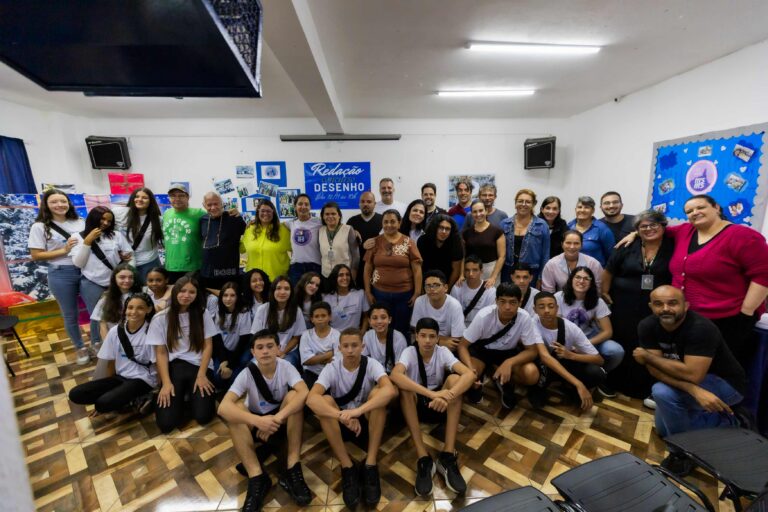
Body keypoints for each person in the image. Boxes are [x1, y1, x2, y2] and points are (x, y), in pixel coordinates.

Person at [634, 285, 747, 477]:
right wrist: (693, 390)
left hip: (727, 384)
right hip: (690, 382)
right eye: (658, 304)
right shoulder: (647, 325)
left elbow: (693, 375)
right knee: (663, 430)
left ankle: (683, 454)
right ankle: (727, 424)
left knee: (661, 392)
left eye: (672, 303)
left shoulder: (701, 328)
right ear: (651, 306)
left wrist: (648, 356)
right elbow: (654, 370)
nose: (665, 309)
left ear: (686, 305)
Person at [217, 330, 312, 511]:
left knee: (295, 397)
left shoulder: (286, 366)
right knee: (235, 409)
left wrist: (276, 418)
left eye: (270, 346)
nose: (265, 351)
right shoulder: (247, 373)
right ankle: (257, 476)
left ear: (278, 348)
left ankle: (293, 466)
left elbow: (304, 392)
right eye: (260, 347)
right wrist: (258, 421)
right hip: (257, 424)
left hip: (280, 421)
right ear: (253, 352)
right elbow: (223, 407)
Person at [306, 328, 397, 509]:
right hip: (341, 422)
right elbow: (311, 399)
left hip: (366, 419)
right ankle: (347, 466)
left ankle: (370, 463)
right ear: (339, 348)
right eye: (346, 346)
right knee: (325, 400)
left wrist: (358, 411)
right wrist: (342, 416)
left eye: (354, 345)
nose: (350, 350)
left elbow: (390, 390)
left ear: (362, 347)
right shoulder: (332, 367)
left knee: (379, 394)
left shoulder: (371, 364)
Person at [389, 318, 475, 496]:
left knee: (455, 379)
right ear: (416, 336)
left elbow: (469, 374)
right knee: (404, 389)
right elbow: (395, 375)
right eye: (423, 336)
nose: (427, 340)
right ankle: (423, 457)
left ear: (437, 338)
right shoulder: (409, 352)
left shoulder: (442, 351)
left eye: (432, 336)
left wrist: (448, 395)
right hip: (418, 404)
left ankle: (447, 455)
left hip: (441, 405)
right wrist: (431, 394)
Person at [602, 210, 673, 399]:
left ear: (663, 226)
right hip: (623, 305)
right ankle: (613, 381)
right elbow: (608, 270)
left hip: (656, 308)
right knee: (622, 340)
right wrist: (604, 292)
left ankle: (646, 387)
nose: (649, 229)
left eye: (653, 225)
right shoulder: (627, 245)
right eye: (643, 226)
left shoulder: (673, 246)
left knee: (649, 344)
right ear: (637, 230)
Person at [147, 275, 218, 433]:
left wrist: (202, 374)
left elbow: (208, 345)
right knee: (166, 424)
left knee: (204, 416)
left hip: (199, 365)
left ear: (197, 295)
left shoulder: (202, 313)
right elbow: (161, 353)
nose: (186, 295)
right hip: (175, 366)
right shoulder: (160, 318)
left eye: (192, 292)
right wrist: (166, 383)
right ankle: (181, 397)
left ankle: (188, 397)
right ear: (175, 292)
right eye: (182, 291)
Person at [68, 292, 157, 415]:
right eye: (130, 307)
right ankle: (131, 399)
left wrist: (161, 387)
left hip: (143, 379)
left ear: (149, 309)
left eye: (140, 308)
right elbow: (111, 360)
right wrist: (110, 385)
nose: (134, 312)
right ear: (125, 309)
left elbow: (159, 362)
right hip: (121, 377)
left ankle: (146, 395)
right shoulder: (115, 331)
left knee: (102, 404)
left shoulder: (151, 331)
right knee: (76, 394)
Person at [457, 283, 541, 409]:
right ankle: (488, 374)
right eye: (502, 301)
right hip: (483, 352)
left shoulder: (524, 317)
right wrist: (470, 371)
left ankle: (504, 379)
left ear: (520, 302)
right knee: (466, 377)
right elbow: (462, 346)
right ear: (496, 301)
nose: (507, 307)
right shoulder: (484, 315)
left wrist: (509, 362)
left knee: (531, 374)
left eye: (513, 302)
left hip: (508, 353)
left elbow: (532, 351)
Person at [28, 188, 88, 363]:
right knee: (70, 314)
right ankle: (80, 347)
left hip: (86, 270)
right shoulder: (39, 226)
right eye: (54, 202)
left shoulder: (80, 222)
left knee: (96, 310)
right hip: (61, 273)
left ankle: (98, 342)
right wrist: (64, 250)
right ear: (46, 205)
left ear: (69, 203)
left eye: (63, 201)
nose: (59, 205)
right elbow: (36, 255)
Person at [528, 292, 605, 410]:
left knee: (597, 373)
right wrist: (578, 383)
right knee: (534, 376)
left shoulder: (571, 328)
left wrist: (571, 355)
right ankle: (539, 388)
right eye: (541, 307)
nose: (547, 310)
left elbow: (599, 360)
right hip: (543, 365)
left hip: (564, 360)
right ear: (535, 310)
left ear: (557, 308)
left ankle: (569, 387)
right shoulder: (533, 323)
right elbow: (545, 357)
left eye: (551, 306)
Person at [555, 267, 624, 397]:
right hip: (567, 341)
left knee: (616, 350)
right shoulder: (559, 297)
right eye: (578, 277)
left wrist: (586, 344)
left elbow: (608, 332)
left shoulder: (598, 301)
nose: (582, 281)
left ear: (591, 283)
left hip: (590, 339)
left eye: (586, 278)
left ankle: (601, 376)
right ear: (571, 279)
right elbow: (555, 326)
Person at [71, 206, 133, 351]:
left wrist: (125, 258)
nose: (105, 223)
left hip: (115, 282)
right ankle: (97, 342)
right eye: (102, 219)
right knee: (96, 315)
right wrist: (87, 242)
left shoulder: (116, 235)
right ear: (93, 218)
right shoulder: (77, 237)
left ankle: (120, 338)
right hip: (92, 282)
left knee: (119, 310)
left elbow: (129, 253)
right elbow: (79, 263)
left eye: (109, 221)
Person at [363, 209, 423, 337]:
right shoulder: (374, 242)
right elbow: (367, 268)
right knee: (382, 327)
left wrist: (417, 293)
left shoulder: (409, 242)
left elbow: (417, 270)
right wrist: (368, 292)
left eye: (392, 221)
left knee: (402, 328)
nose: (389, 225)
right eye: (385, 222)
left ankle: (402, 350)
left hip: (404, 294)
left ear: (399, 223)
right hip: (379, 293)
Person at [250, 276, 307, 371]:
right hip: (265, 349)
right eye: (278, 288)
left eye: (286, 289)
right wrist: (269, 351)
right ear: (273, 291)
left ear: (291, 292)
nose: (282, 292)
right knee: (253, 367)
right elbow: (256, 336)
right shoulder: (263, 309)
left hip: (288, 351)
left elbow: (296, 337)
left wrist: (282, 352)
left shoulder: (297, 311)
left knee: (283, 368)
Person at [501, 189, 550, 284]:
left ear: (533, 204)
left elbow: (545, 255)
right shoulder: (504, 224)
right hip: (508, 272)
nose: (523, 204)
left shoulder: (542, 225)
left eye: (528, 202)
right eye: (520, 201)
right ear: (515, 203)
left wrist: (541, 277)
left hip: (531, 274)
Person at [199, 192, 246, 291]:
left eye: (216, 204)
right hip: (207, 274)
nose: (213, 207)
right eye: (209, 205)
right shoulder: (202, 220)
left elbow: (250, 232)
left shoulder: (234, 218)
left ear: (221, 203)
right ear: (204, 205)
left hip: (229, 274)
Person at [162, 183, 206, 283]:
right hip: (171, 266)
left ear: (188, 197)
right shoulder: (167, 214)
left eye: (181, 195)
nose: (177, 199)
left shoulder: (199, 213)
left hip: (192, 267)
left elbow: (216, 217)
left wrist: (232, 213)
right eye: (173, 196)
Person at [411, 270, 465, 351]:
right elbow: (417, 331)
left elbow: (455, 341)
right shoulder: (419, 301)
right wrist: (440, 341)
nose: (432, 289)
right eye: (428, 286)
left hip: (446, 348)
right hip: (426, 344)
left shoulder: (455, 305)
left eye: (436, 285)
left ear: (446, 288)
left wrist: (430, 337)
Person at [211, 281, 253, 383]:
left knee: (234, 377)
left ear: (237, 297)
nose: (228, 299)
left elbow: (243, 341)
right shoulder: (218, 310)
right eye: (225, 295)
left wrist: (230, 365)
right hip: (224, 350)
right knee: (217, 378)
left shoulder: (244, 311)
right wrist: (223, 360)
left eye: (232, 295)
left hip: (239, 350)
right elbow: (217, 339)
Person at [241, 199, 292, 281]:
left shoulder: (283, 230)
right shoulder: (250, 229)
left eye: (268, 211)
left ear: (273, 212)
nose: (265, 213)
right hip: (254, 280)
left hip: (277, 280)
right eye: (262, 211)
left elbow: (296, 249)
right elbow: (242, 248)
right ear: (258, 212)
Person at [122, 187, 164, 284]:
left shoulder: (158, 220)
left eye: (144, 198)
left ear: (150, 201)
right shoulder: (121, 216)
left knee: (149, 291)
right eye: (137, 196)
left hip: (149, 263)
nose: (140, 199)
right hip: (127, 264)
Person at [91, 263, 141, 342]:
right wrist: (108, 345)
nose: (127, 280)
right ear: (114, 278)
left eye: (130, 277)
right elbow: (103, 326)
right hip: (115, 340)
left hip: (138, 339)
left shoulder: (140, 295)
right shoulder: (106, 298)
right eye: (122, 277)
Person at [463, 200, 505, 287]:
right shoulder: (466, 233)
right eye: (475, 212)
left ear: (486, 211)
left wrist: (493, 277)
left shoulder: (497, 232)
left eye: (481, 210)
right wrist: (461, 274)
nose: (478, 214)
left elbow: (502, 257)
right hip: (471, 272)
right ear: (471, 214)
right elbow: (463, 256)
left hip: (491, 271)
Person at [299, 301, 341, 387]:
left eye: (323, 315)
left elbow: (337, 360)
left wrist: (316, 359)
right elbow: (306, 360)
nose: (320, 319)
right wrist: (329, 354)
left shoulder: (337, 335)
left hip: (331, 374)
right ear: (312, 319)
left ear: (329, 317)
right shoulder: (306, 335)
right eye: (316, 316)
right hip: (310, 373)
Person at [347, 191, 383, 289]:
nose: (365, 204)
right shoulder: (351, 221)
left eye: (369, 201)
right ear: (359, 204)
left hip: (378, 267)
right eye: (362, 201)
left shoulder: (382, 220)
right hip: (357, 268)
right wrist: (351, 232)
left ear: (375, 204)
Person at [417, 214, 464, 290]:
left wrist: (447, 289)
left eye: (447, 229)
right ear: (434, 227)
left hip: (446, 282)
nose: (444, 231)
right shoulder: (423, 241)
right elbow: (418, 267)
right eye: (441, 227)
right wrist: (421, 288)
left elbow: (456, 270)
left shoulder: (456, 243)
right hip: (426, 281)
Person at [285, 193, 323, 285]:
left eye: (306, 204)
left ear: (310, 207)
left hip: (314, 266)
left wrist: (354, 231)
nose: (303, 207)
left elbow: (336, 225)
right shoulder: (290, 223)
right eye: (300, 204)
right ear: (295, 207)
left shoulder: (319, 222)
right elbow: (273, 223)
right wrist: (255, 222)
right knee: (296, 293)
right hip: (296, 267)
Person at [567, 196, 615, 266]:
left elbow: (612, 256)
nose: (582, 210)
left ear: (593, 211)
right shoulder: (568, 227)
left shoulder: (602, 229)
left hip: (595, 271)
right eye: (579, 207)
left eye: (586, 207)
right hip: (571, 271)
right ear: (575, 209)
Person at [450, 256, 496, 327]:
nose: (471, 274)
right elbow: (453, 313)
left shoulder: (490, 290)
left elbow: (490, 316)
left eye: (475, 270)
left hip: (482, 328)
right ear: (464, 272)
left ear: (481, 272)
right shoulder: (457, 288)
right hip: (461, 326)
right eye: (467, 270)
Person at [362, 303, 408, 374]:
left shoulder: (399, 339)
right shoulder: (367, 336)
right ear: (369, 321)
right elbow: (364, 360)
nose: (379, 321)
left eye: (383, 317)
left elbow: (400, 370)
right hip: (374, 375)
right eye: (375, 318)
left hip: (394, 376)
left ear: (389, 319)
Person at [319, 201, 359, 281]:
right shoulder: (320, 230)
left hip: (344, 276)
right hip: (325, 275)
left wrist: (353, 277)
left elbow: (356, 256)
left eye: (333, 214)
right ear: (323, 216)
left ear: (339, 215)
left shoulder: (348, 229)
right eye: (327, 214)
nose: (330, 216)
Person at [323, 263, 370, 332]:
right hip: (334, 335)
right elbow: (325, 321)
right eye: (341, 275)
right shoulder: (327, 298)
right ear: (335, 278)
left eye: (347, 275)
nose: (345, 278)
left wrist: (362, 333)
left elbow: (366, 316)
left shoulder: (360, 294)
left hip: (355, 334)